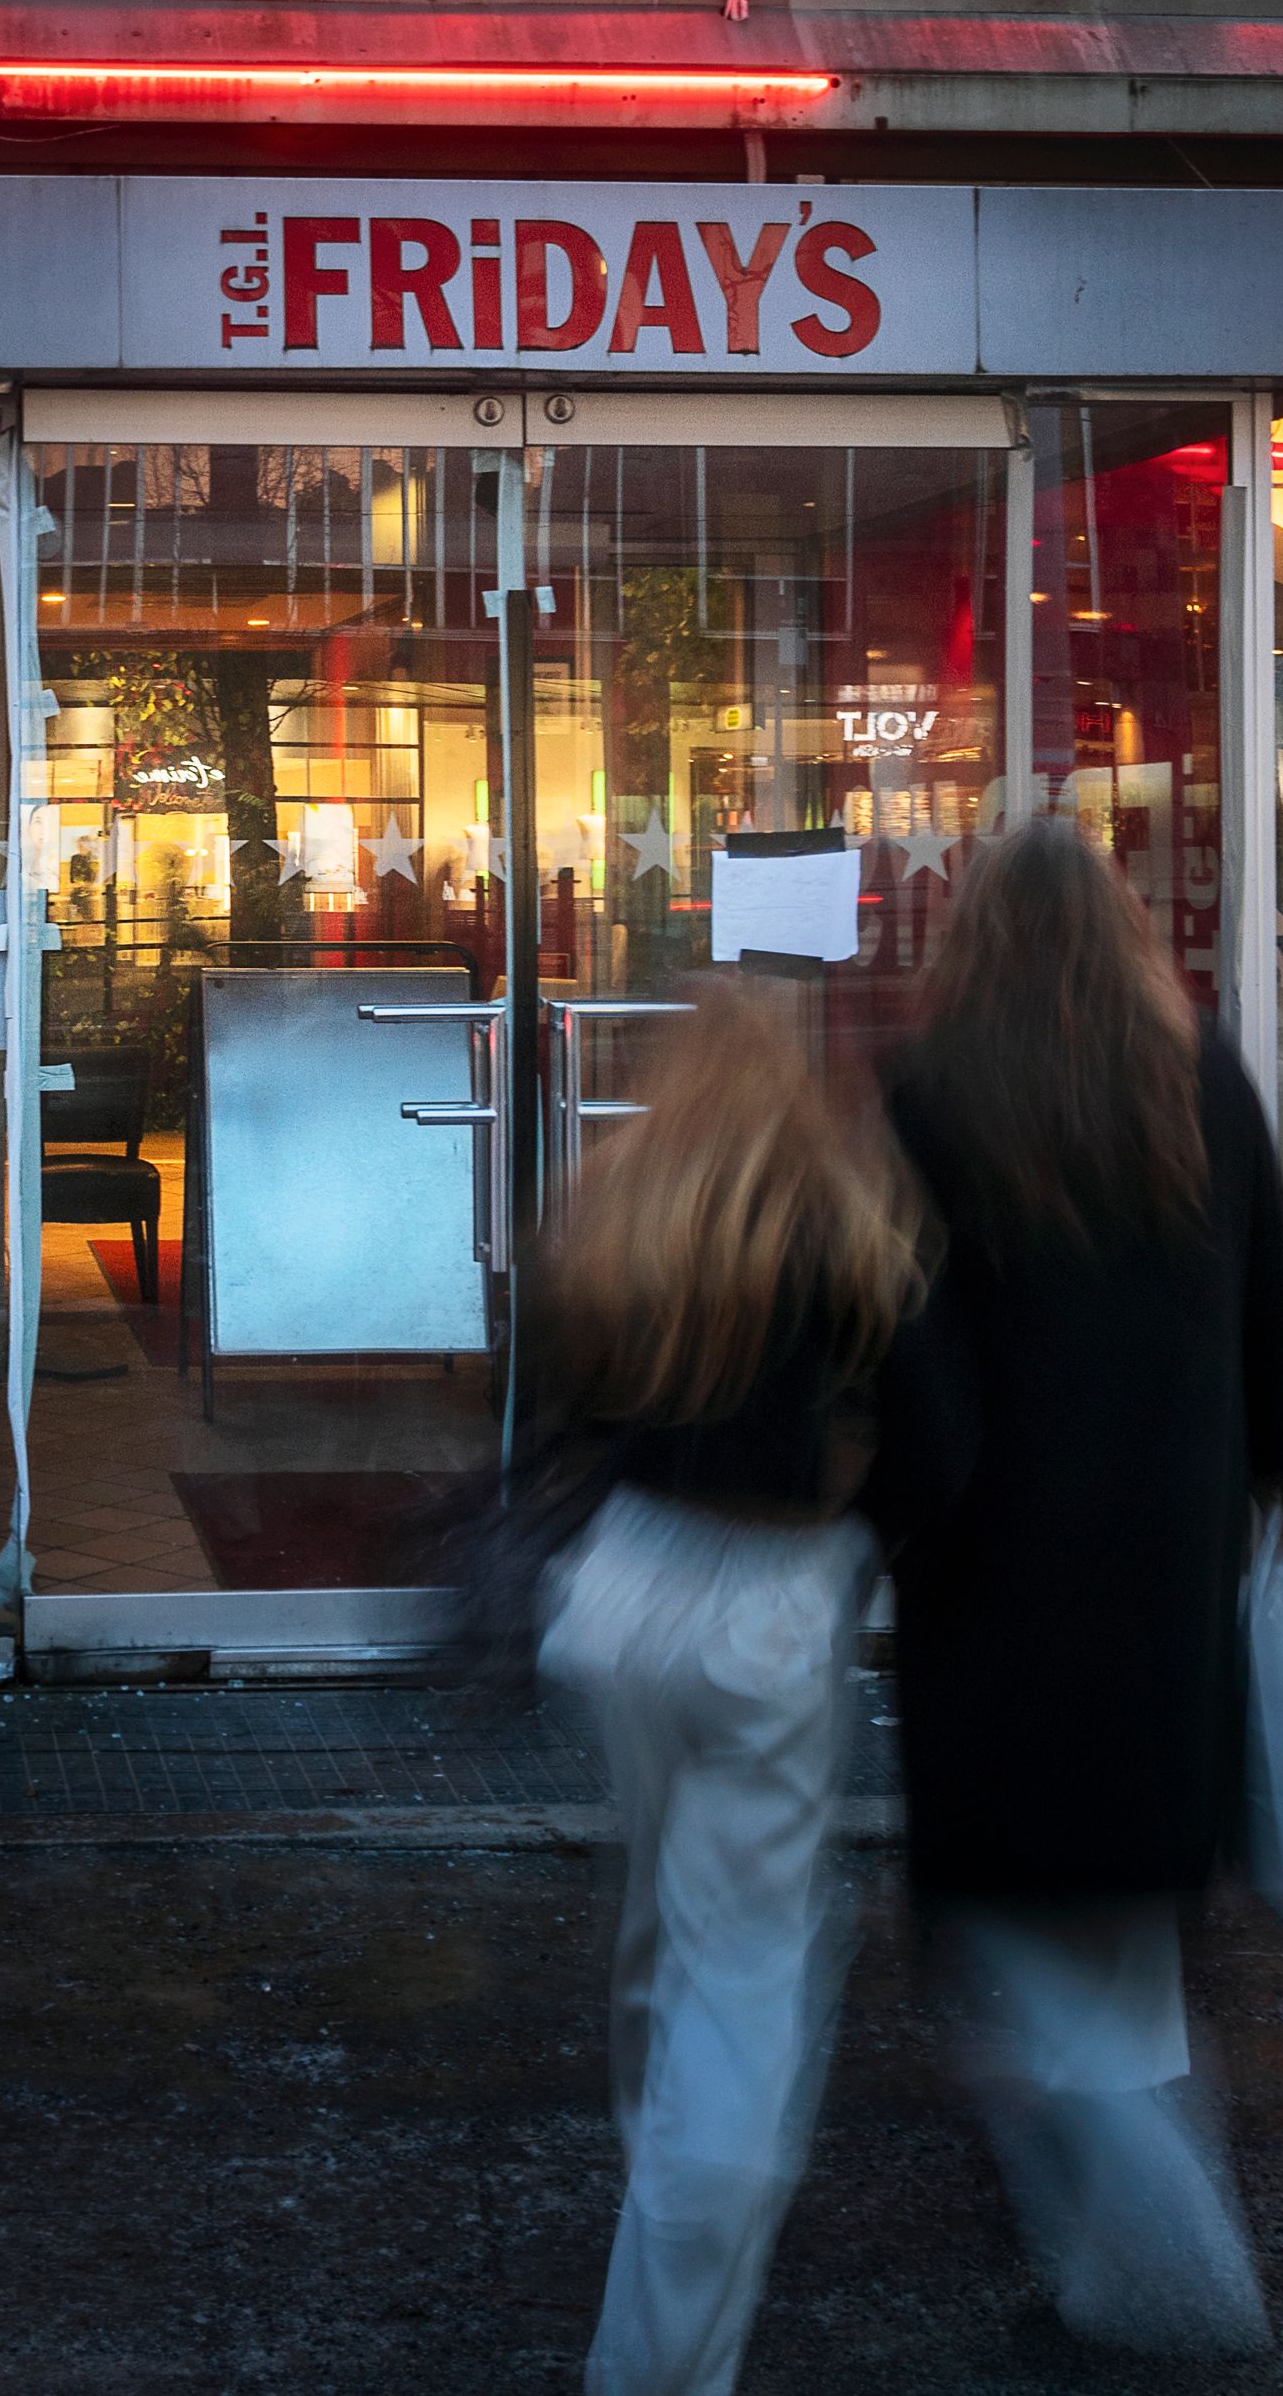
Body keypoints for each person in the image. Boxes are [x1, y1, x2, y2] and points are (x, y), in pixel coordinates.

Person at [867, 816, 1283, 2355]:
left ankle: (1166, 2253)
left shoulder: (933, 1096)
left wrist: (895, 1518)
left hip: (1002, 1566)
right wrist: (1270, 1471)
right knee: (1119, 1903)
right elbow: (1267, 1304)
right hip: (1164, 1554)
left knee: (1020, 1908)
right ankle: (1116, 2230)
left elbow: (915, 1353)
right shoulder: (1201, 1077)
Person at [525, 985, 926, 2396]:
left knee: (663, 1912)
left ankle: (665, 2174)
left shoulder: (618, 1205)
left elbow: (556, 1410)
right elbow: (926, 1425)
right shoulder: (833, 1213)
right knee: (743, 1967)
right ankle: (665, 2335)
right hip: (763, 1603)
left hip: (622, 1593)